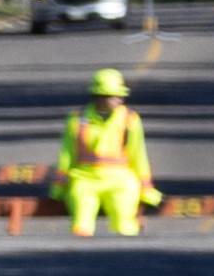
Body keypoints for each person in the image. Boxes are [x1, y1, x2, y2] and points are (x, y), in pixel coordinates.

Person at [60, 65, 156, 237]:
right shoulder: (76, 119)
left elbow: (138, 156)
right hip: (85, 181)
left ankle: (124, 261)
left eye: (121, 96)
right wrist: (59, 186)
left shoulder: (130, 120)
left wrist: (146, 189)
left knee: (124, 226)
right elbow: (67, 155)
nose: (120, 100)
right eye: (115, 96)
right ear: (99, 97)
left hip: (121, 182)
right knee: (81, 226)